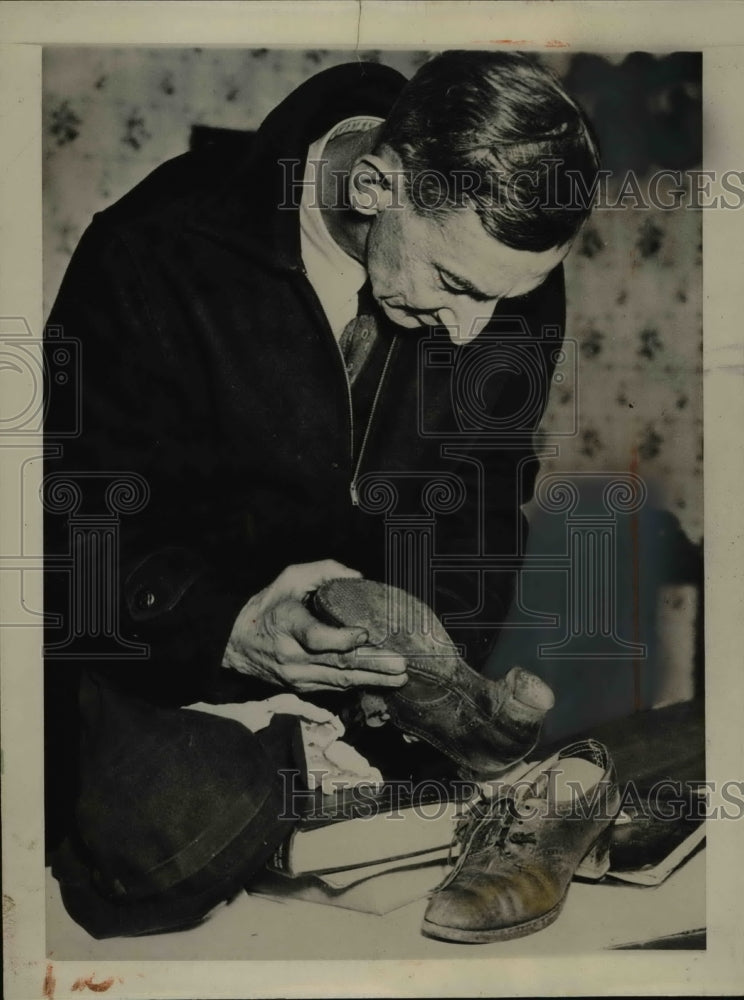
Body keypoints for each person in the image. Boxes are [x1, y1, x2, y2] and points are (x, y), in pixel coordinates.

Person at [43, 50, 600, 936]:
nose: (474, 330)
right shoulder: (156, 248)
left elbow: (485, 491)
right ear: (376, 185)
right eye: (453, 285)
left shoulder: (498, 266)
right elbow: (67, 533)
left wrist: (429, 674)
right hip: (170, 714)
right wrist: (228, 624)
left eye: (507, 298)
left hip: (371, 758)